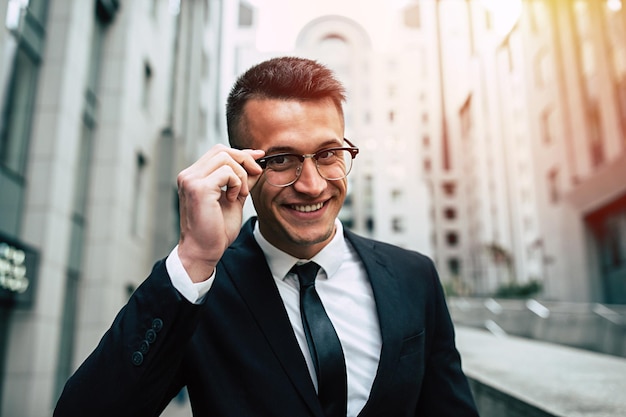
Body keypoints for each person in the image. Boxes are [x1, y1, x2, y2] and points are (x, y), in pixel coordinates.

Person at [54, 57, 479, 417]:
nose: (312, 185)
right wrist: (195, 258)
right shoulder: (198, 289)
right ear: (242, 168)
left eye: (328, 154)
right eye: (281, 159)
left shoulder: (413, 276)